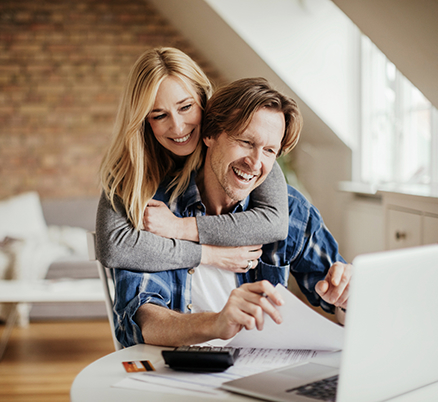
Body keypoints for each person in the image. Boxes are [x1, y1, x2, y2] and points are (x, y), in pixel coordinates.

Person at [112, 78, 351, 348]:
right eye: (246, 142)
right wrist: (215, 323)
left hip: (262, 371)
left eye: (270, 150)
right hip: (180, 372)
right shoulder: (157, 212)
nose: (256, 163)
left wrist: (346, 298)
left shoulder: (291, 210)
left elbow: (338, 303)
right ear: (210, 134)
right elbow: (143, 320)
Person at [96, 47, 291, 274]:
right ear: (143, 121)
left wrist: (178, 227)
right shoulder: (130, 167)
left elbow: (275, 223)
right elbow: (114, 247)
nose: (178, 127)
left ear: (202, 98)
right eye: (159, 115)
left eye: (186, 107)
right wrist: (210, 254)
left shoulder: (237, 147)